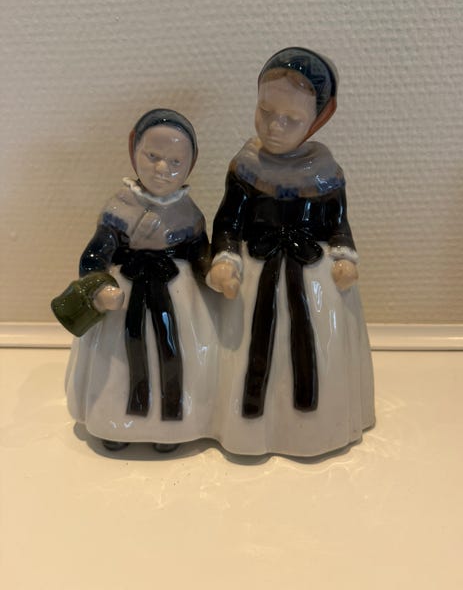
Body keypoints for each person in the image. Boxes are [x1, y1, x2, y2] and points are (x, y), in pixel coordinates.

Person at [208, 47, 375, 457]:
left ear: (317, 120)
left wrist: (344, 257)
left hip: (313, 275)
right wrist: (225, 258)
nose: (274, 127)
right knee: (247, 348)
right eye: (265, 111)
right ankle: (248, 427)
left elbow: (338, 223)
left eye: (291, 119)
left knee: (313, 347)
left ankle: (312, 429)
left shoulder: (326, 173)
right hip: (254, 272)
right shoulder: (245, 167)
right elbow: (228, 220)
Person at [64, 109, 216, 451]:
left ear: (190, 165)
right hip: (124, 294)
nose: (162, 168)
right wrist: (100, 286)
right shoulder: (118, 209)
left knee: (175, 351)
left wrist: (215, 273)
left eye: (175, 162)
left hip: (176, 294)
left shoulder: (189, 214)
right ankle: (114, 423)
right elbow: (94, 256)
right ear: (134, 152)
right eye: (153, 156)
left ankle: (170, 426)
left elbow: (200, 254)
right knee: (117, 359)